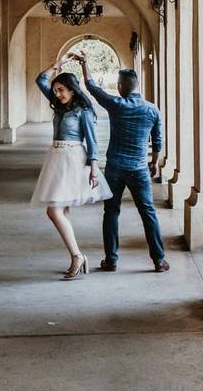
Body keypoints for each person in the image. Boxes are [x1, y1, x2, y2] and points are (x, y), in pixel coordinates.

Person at [78, 54, 168, 272]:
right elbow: (157, 141)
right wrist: (154, 162)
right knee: (148, 213)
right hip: (139, 168)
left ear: (120, 86)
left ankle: (111, 260)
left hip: (115, 168)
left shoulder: (116, 104)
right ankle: (159, 260)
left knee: (111, 212)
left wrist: (85, 64)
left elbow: (92, 87)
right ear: (136, 86)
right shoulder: (152, 109)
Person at [30, 53, 113, 279]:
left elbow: (92, 141)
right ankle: (76, 255)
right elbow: (40, 80)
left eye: (61, 90)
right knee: (61, 210)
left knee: (53, 210)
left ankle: (77, 255)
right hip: (56, 157)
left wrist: (94, 167)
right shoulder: (58, 105)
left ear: (72, 90)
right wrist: (58, 64)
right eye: (55, 90)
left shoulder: (83, 111)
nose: (57, 94)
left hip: (73, 157)